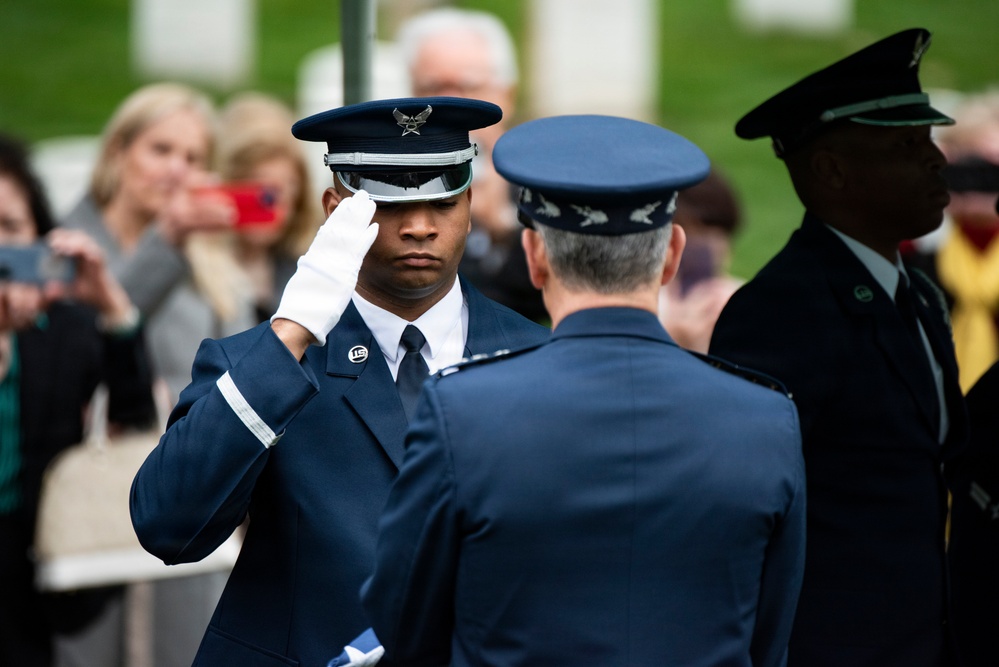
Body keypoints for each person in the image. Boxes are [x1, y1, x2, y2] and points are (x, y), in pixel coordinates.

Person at [361, 114, 806, 667]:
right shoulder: (765, 417)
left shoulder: (463, 410)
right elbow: (772, 631)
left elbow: (404, 616)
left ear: (536, 256)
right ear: (672, 255)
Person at [129, 96, 550, 666]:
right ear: (335, 210)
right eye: (390, 205)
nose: (421, 226)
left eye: (443, 201)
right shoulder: (263, 364)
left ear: (470, 203)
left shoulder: (537, 357)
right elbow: (168, 524)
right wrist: (290, 335)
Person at [708, 28, 968, 666]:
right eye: (907, 144)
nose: (936, 160)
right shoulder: (782, 311)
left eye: (930, 139)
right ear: (832, 170)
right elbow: (744, 508)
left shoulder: (921, 297)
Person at [61, 82, 254, 667]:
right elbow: (92, 330)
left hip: (184, 482)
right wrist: (166, 242)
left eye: (194, 158)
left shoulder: (211, 259)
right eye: (161, 149)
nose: (178, 169)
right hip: (86, 485)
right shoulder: (70, 242)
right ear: (118, 151)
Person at [0, 132, 155, 666]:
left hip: (28, 577)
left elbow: (136, 421)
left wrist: (112, 307)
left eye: (10, 227)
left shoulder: (62, 328)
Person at [396, 8, 546, 323]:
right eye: (432, 87)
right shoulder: (389, 184)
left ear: (507, 94)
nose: (449, 104)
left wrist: (506, 228)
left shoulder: (543, 178)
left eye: (469, 87)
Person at [216, 92, 321, 323]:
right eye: (259, 189)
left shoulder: (307, 270)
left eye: (286, 191)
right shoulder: (197, 268)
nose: (270, 205)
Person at [659, 167, 744, 352]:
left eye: (716, 234)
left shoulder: (746, 305)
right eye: (692, 234)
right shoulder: (642, 311)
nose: (707, 247)